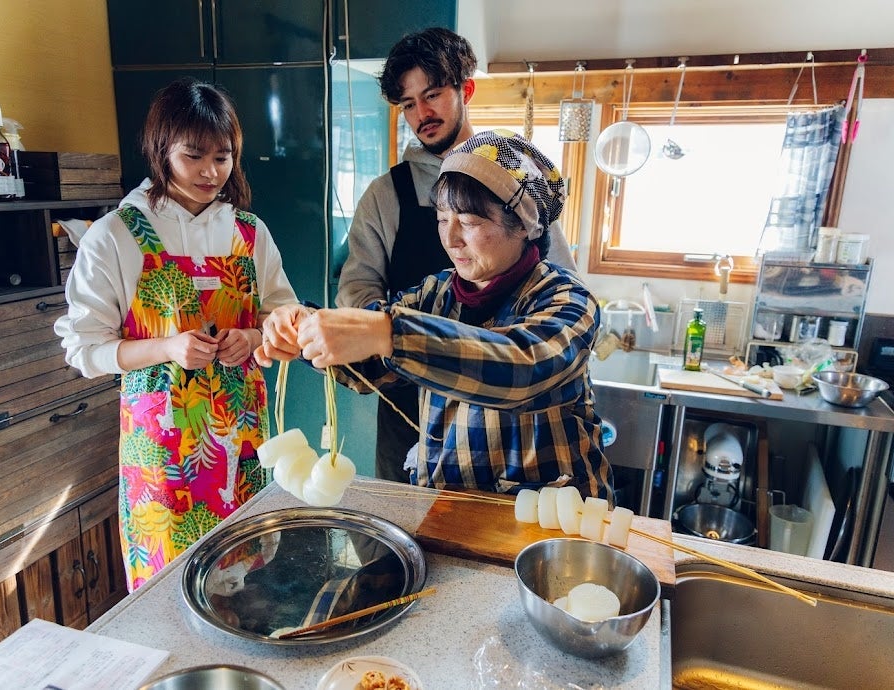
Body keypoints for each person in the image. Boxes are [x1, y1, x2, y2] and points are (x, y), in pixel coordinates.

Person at [258, 130, 612, 501]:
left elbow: (521, 367)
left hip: (549, 515)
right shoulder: (436, 293)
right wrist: (305, 329)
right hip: (448, 509)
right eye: (442, 219)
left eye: (469, 221)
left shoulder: (567, 298)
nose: (451, 238)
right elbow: (371, 367)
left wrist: (388, 332)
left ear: (524, 225)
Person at [54, 77, 298, 590]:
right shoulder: (117, 235)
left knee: (248, 577)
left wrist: (254, 338)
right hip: (164, 452)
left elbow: (284, 315)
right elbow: (84, 348)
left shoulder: (249, 233)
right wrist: (168, 347)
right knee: (170, 582)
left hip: (241, 440)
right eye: (194, 156)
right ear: (160, 149)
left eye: (223, 157)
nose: (211, 172)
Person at [336, 27, 578, 484]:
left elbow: (536, 348)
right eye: (408, 104)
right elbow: (358, 295)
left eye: (432, 95)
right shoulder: (393, 211)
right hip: (409, 403)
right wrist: (306, 330)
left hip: (515, 428)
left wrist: (394, 335)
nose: (421, 114)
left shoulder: (515, 185)